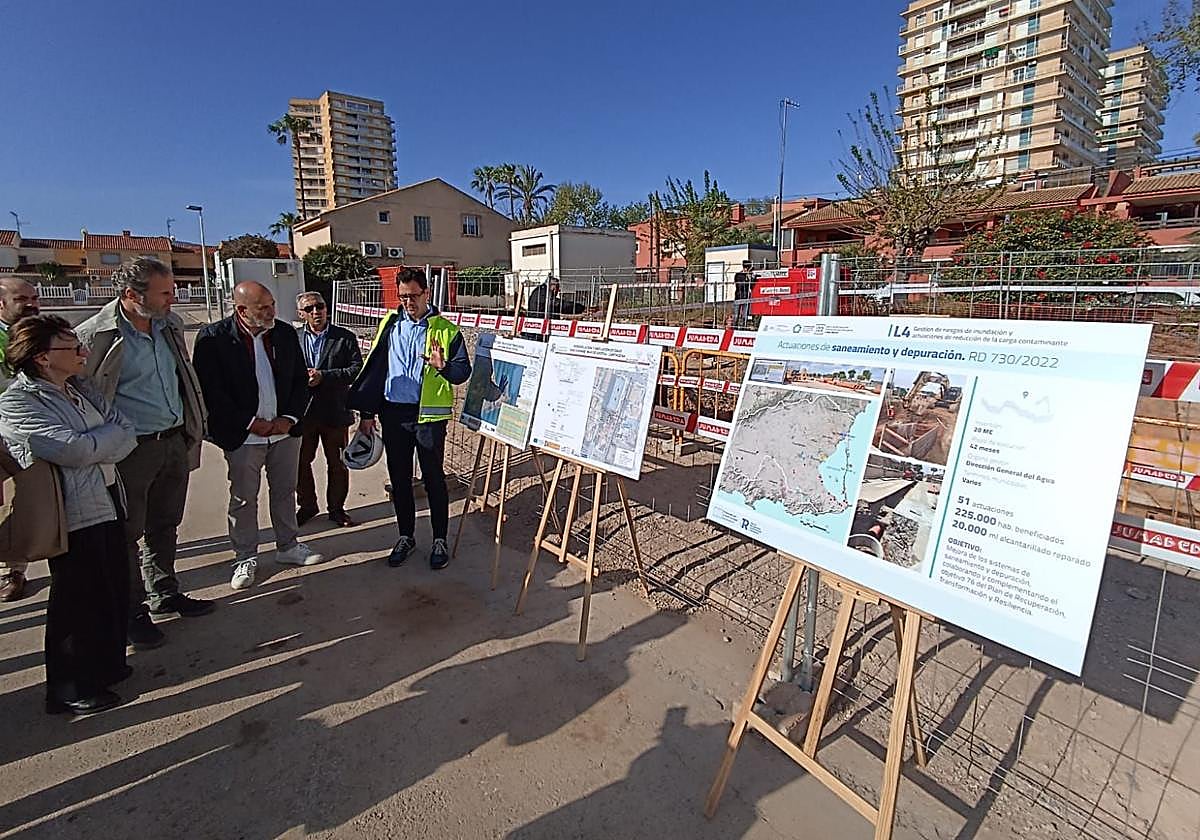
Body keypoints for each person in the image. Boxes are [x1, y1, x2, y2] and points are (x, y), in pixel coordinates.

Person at [0, 315, 136, 715]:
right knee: (76, 598)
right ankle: (68, 686)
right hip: (70, 511)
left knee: (111, 586)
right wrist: (100, 444)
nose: (83, 352)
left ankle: (106, 665)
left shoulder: (80, 388)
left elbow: (125, 430)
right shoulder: (18, 401)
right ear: (43, 358)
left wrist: (95, 445)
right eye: (72, 347)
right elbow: (71, 451)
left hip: (107, 498)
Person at [75, 258, 211, 650]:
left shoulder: (169, 326)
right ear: (133, 295)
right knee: (126, 533)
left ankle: (165, 592)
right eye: (164, 293)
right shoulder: (94, 337)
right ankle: (133, 612)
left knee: (165, 523)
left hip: (172, 440)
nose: (174, 298)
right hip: (130, 452)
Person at [192, 281, 324, 590]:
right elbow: (212, 392)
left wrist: (288, 419)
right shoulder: (214, 339)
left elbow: (298, 381)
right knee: (243, 499)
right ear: (241, 310)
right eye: (262, 308)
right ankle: (244, 558)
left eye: (272, 305)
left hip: (284, 432)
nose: (270, 312)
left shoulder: (284, 334)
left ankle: (288, 547)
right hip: (243, 437)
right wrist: (250, 422)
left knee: (284, 491)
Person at [347, 267, 471, 570]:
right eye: (402, 297)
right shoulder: (389, 324)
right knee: (400, 480)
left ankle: (439, 538)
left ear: (426, 293)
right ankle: (406, 536)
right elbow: (375, 369)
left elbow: (462, 373)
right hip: (393, 415)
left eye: (413, 296)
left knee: (433, 480)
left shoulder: (446, 330)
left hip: (428, 418)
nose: (407, 302)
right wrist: (367, 413)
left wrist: (442, 367)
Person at [294, 291, 363, 528]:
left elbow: (355, 370)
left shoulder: (344, 338)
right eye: (310, 308)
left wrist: (324, 376)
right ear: (301, 314)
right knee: (300, 462)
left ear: (327, 309)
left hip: (335, 411)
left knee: (338, 463)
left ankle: (336, 509)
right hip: (303, 414)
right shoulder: (293, 339)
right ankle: (307, 505)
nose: (316, 312)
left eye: (320, 306)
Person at [0, 277, 41, 602]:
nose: (31, 304)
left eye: (34, 297)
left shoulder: (40, 336)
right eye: (22, 299)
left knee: (28, 503)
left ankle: (16, 569)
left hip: (34, 436)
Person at [522, 276, 586, 342]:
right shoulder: (543, 294)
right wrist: (580, 308)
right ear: (553, 286)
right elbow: (560, 305)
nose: (558, 290)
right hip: (538, 332)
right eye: (558, 287)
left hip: (537, 329)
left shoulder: (540, 291)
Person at [733, 260, 754, 328]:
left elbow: (752, 286)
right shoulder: (738, 275)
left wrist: (751, 279)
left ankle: (743, 328)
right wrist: (746, 279)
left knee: (745, 316)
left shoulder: (750, 276)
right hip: (739, 296)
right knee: (736, 316)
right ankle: (734, 328)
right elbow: (739, 286)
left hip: (746, 297)